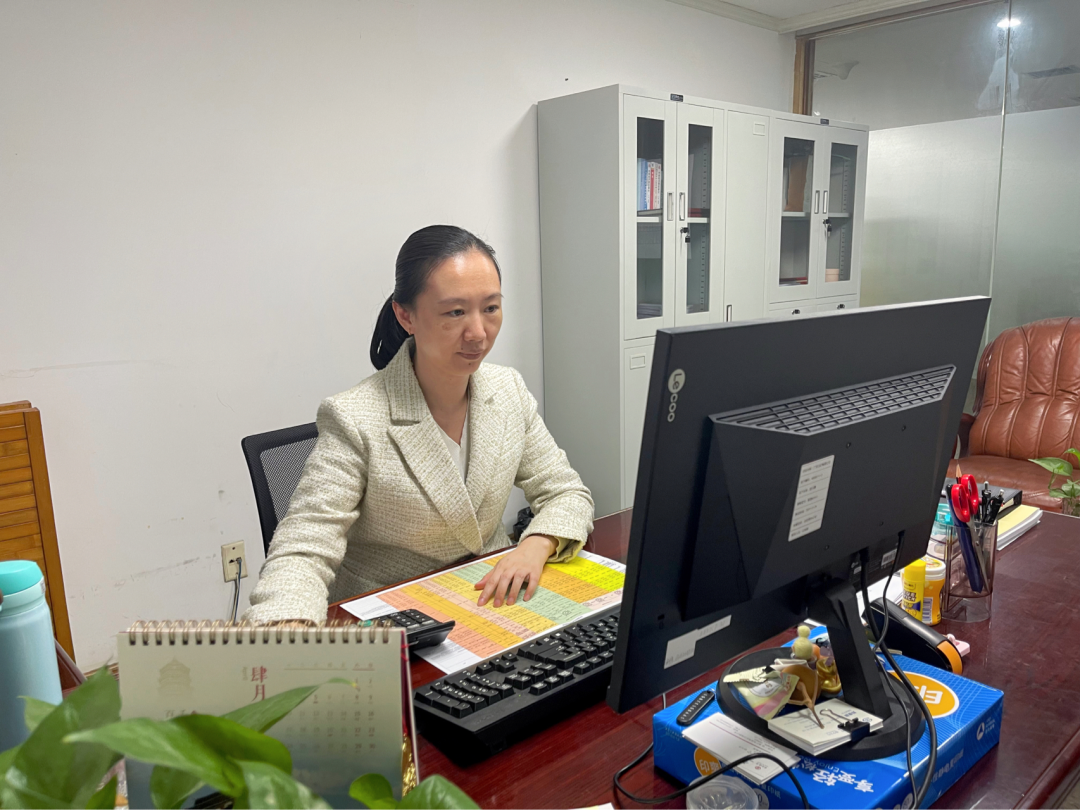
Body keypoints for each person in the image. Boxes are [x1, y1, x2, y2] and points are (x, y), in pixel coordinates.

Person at [245, 225, 594, 623]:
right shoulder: (355, 416)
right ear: (405, 315)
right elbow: (304, 547)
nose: (478, 333)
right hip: (398, 619)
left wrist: (535, 545)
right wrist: (287, 628)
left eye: (491, 308)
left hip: (492, 599)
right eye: (455, 312)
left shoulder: (507, 390)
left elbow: (566, 491)